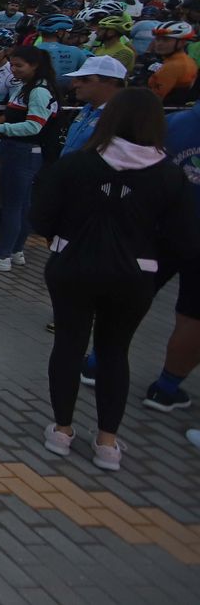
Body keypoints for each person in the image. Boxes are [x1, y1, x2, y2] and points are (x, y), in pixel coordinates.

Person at [33, 88, 198, 471]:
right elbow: (186, 239)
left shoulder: (74, 165)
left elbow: (40, 217)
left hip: (71, 266)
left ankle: (61, 430)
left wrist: (65, 237)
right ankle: (107, 442)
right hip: (134, 275)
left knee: (68, 345)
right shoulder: (169, 176)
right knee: (114, 352)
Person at [138, 99, 200, 413]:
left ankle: (97, 362)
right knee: (193, 316)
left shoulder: (172, 124)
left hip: (159, 228)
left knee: (133, 295)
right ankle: (166, 387)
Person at [0, 46, 58, 272]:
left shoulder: (38, 91)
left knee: (12, 206)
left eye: (19, 66)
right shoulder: (28, 87)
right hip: (20, 151)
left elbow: (34, 125)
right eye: (13, 64)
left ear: (35, 66)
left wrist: (0, 129)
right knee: (22, 205)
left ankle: (3, 256)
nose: (14, 69)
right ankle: (15, 250)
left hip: (23, 152)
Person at [60, 56, 128, 155]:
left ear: (111, 82)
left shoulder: (122, 117)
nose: (76, 84)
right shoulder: (88, 108)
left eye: (85, 80)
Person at [146, 21, 198, 105]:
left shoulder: (173, 66)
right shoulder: (188, 60)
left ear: (182, 42)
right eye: (157, 39)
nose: (159, 44)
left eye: (166, 40)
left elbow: (154, 100)